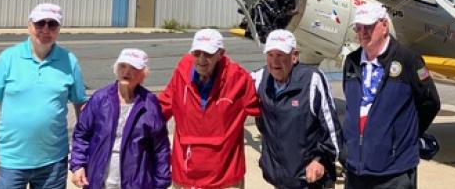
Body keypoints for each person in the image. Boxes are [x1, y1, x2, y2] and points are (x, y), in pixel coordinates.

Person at [0, 3, 87, 189]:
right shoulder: (8, 58)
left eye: (52, 25)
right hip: (10, 162)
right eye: (40, 24)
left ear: (58, 29)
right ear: (29, 26)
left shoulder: (69, 61)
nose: (45, 29)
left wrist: (82, 155)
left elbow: (81, 106)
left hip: (53, 162)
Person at [341, 2, 441, 189]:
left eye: (369, 27)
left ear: (384, 26)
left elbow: (430, 102)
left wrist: (403, 136)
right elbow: (352, 107)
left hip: (394, 172)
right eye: (358, 27)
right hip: (356, 170)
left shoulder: (408, 59)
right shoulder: (351, 62)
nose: (362, 33)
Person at [158, 29, 261, 189]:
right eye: (197, 53)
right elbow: (158, 111)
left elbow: (265, 111)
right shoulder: (181, 73)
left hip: (225, 177)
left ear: (221, 54)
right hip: (186, 175)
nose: (201, 59)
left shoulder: (239, 79)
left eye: (208, 54)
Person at [251, 30, 342, 189]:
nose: (274, 61)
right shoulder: (260, 79)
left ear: (294, 56)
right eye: (270, 55)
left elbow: (332, 130)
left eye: (280, 55)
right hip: (279, 180)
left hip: (311, 181)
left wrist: (320, 160)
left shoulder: (312, 80)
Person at [70, 48, 171, 188]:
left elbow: (160, 148)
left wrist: (161, 182)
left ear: (143, 74)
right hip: (99, 181)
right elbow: (82, 134)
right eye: (123, 66)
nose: (126, 72)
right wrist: (78, 165)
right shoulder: (100, 99)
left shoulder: (150, 104)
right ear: (116, 69)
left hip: (136, 183)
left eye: (133, 68)